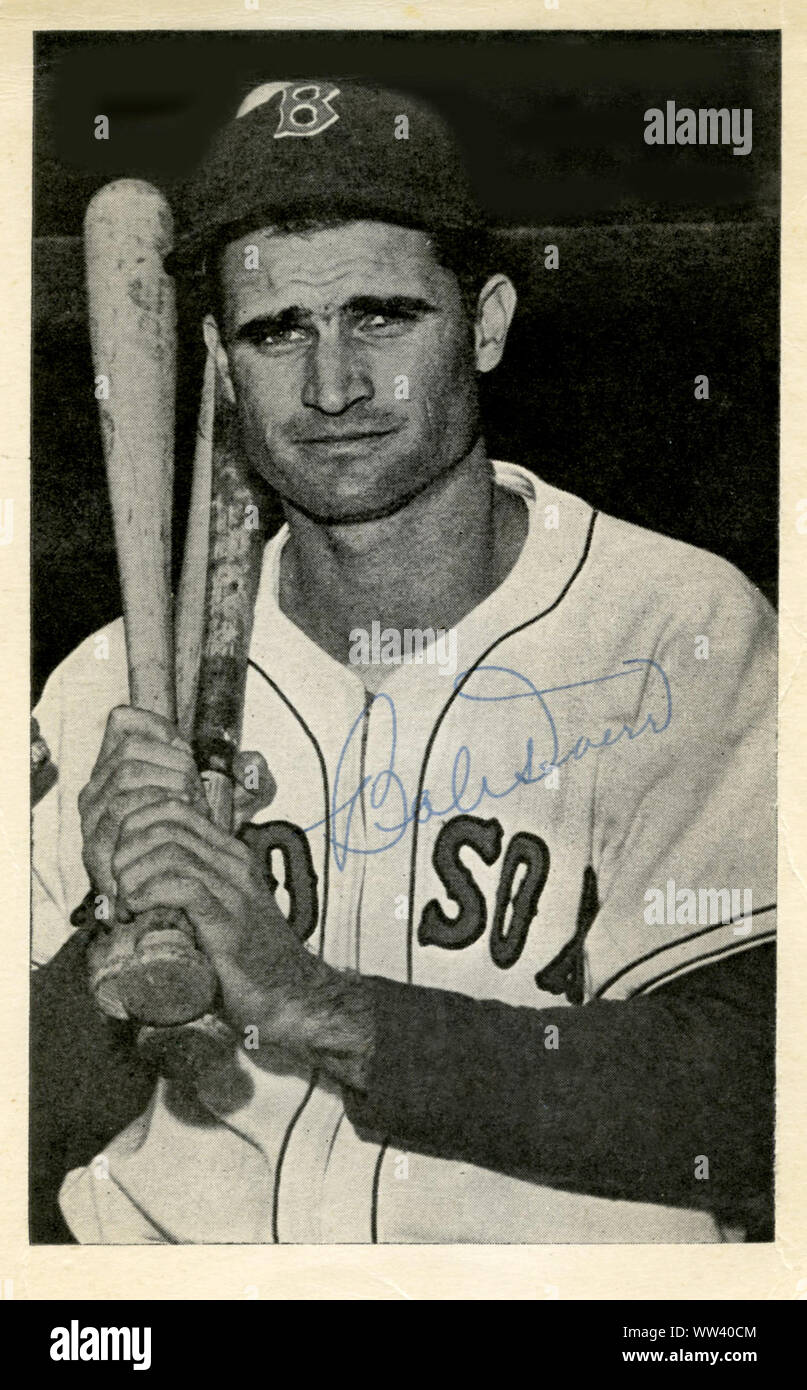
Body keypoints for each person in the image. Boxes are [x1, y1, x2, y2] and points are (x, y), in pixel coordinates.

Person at [31, 79, 775, 1244]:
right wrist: (114, 931)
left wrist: (316, 1005)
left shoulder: (674, 629)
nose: (331, 388)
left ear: (483, 323)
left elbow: (752, 1095)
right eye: (279, 331)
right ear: (222, 364)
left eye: (380, 316)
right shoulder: (110, 688)